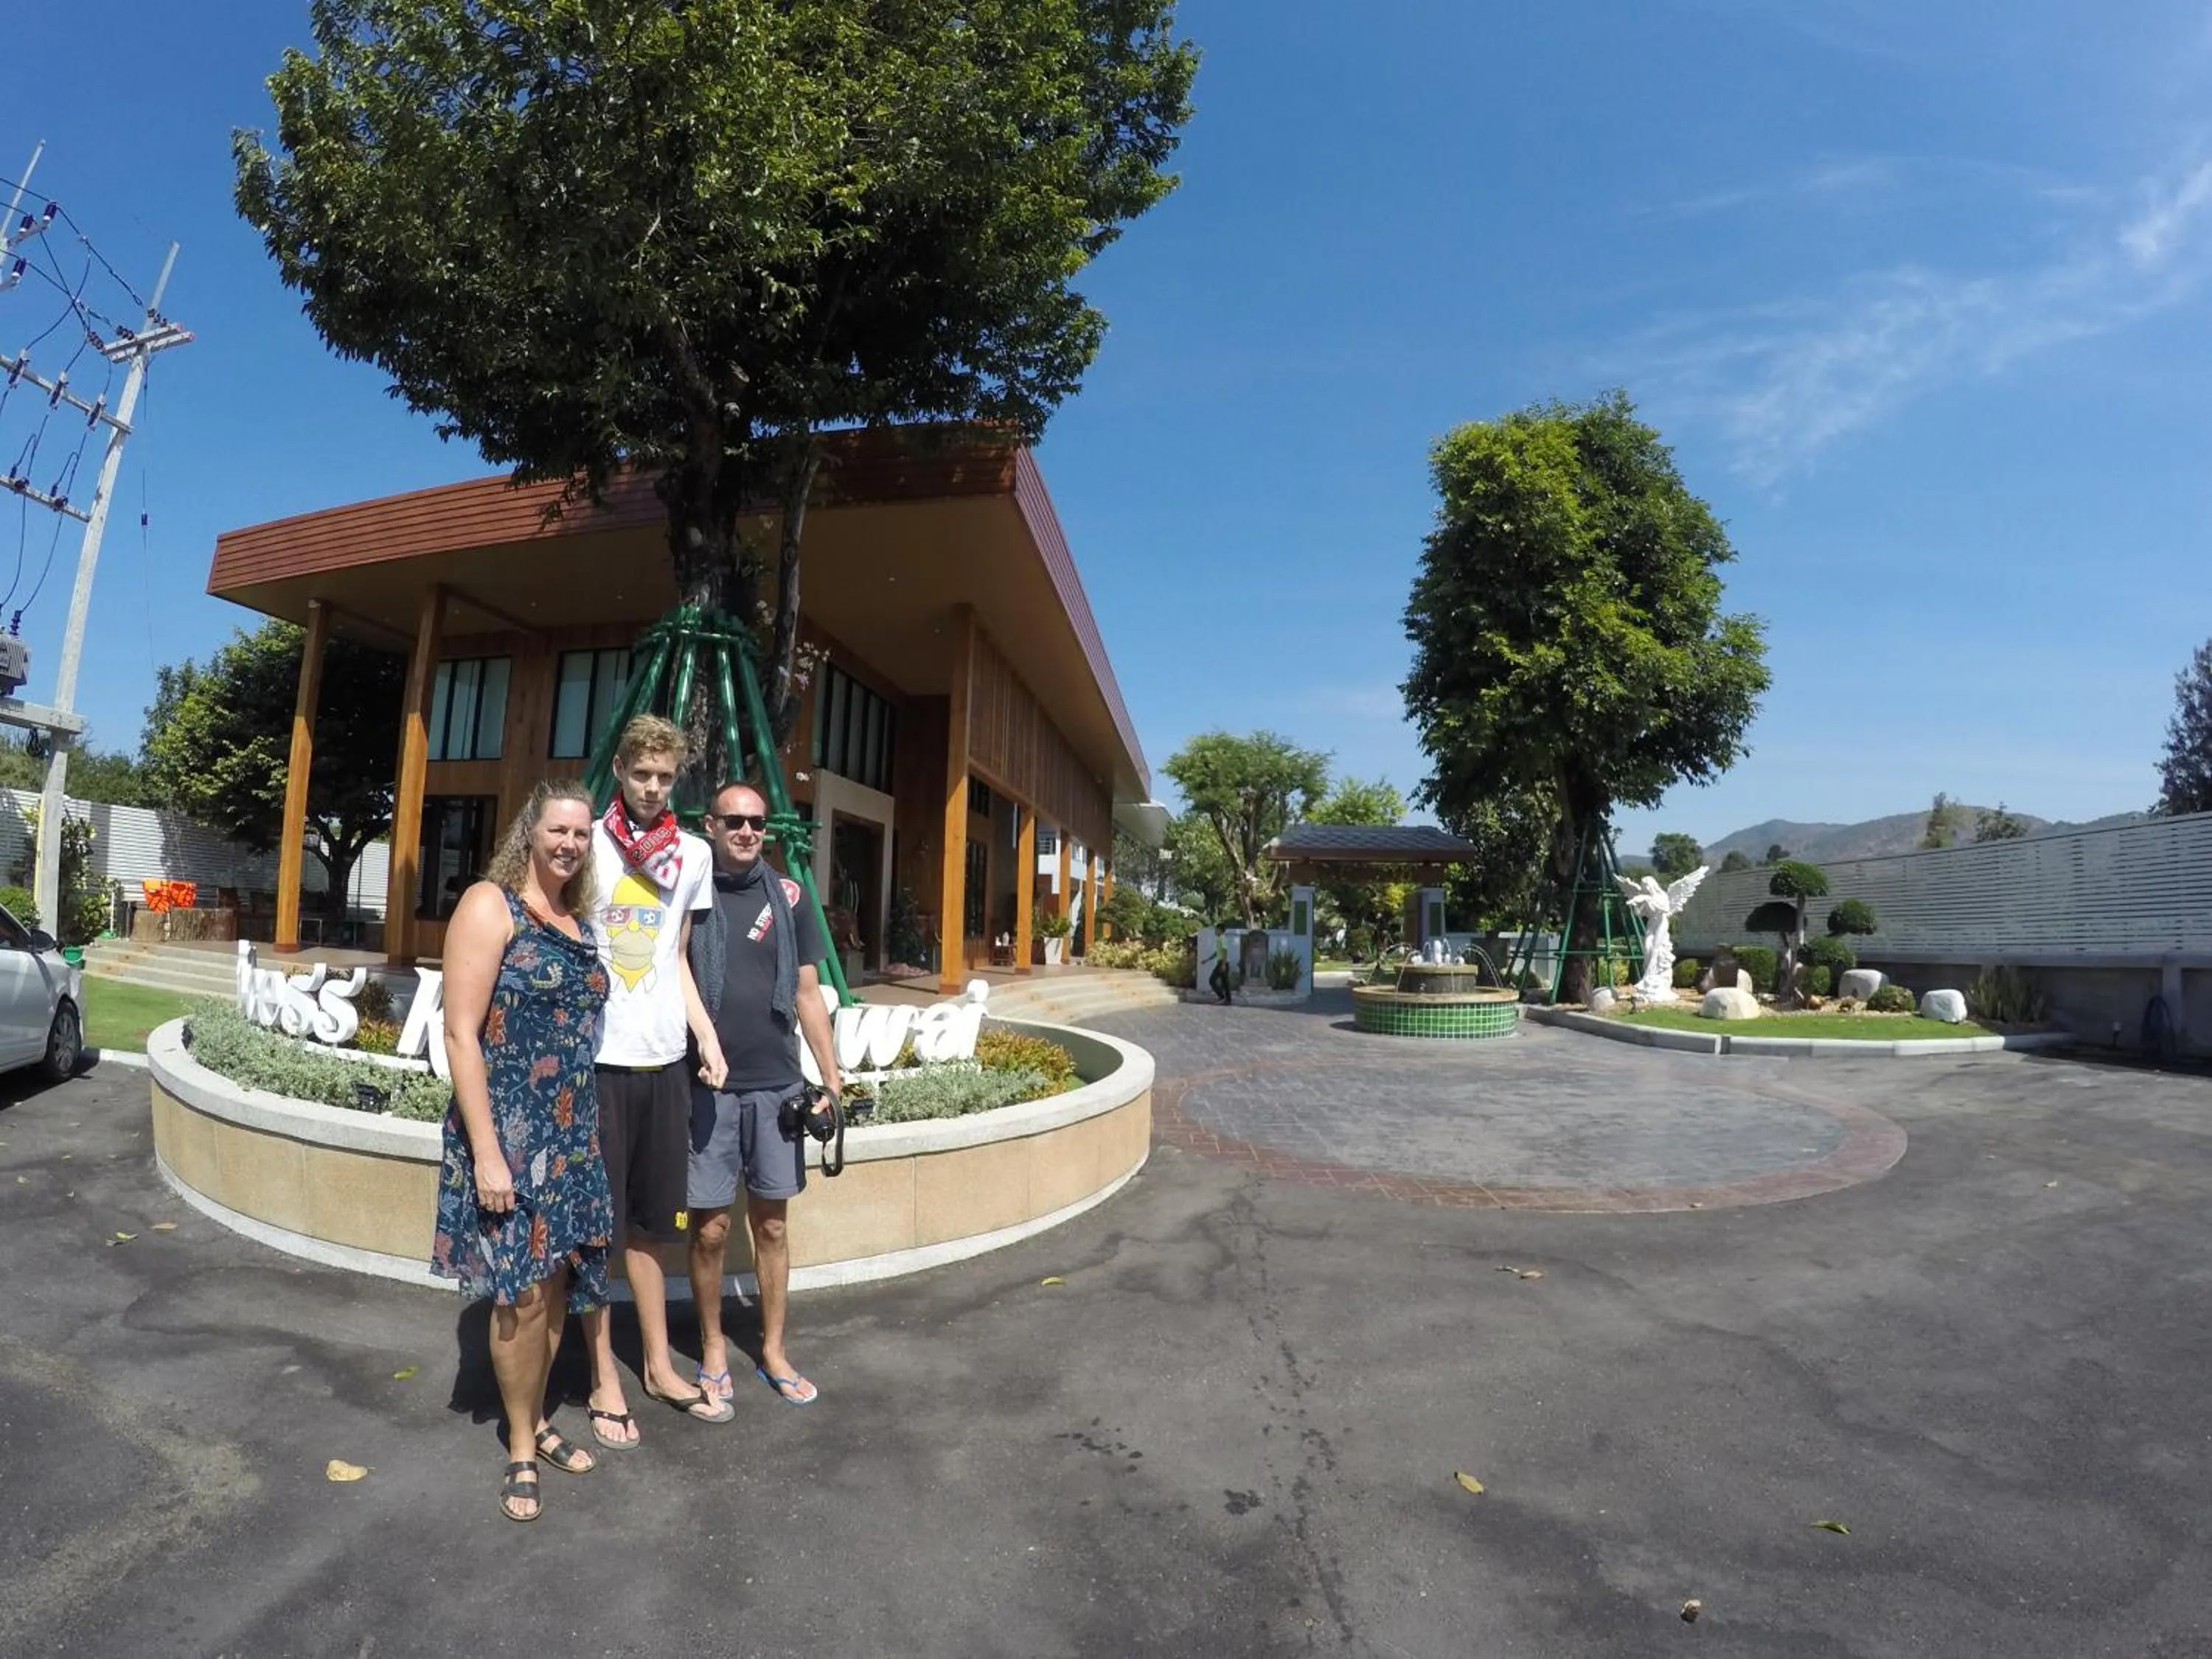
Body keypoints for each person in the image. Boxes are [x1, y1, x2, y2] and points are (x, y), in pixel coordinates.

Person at [429, 780, 613, 1522]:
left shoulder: (574, 920)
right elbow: (459, 1033)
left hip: (570, 1133)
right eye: (558, 830)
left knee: (559, 1282)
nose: (569, 844)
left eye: (581, 834)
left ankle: (536, 1416)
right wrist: (488, 1152)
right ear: (530, 831)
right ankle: (518, 1448)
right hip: (507, 1132)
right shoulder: (489, 905)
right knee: (520, 1294)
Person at [580, 715, 731, 1447]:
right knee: (595, 1230)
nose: (652, 788)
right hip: (598, 1062)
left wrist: (703, 1032)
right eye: (642, 774)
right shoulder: (587, 845)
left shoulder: (693, 855)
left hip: (662, 1061)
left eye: (665, 778)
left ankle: (655, 1365)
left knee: (651, 1227)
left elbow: (675, 956)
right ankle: (602, 1376)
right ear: (620, 769)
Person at [686, 782, 842, 1408]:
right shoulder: (688, 893)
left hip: (777, 1085)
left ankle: (774, 1351)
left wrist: (831, 1078)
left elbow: (808, 992)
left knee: (771, 1225)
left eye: (757, 823)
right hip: (708, 1086)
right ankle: (714, 1346)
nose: (748, 832)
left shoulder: (790, 897)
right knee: (712, 1229)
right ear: (711, 825)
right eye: (735, 821)